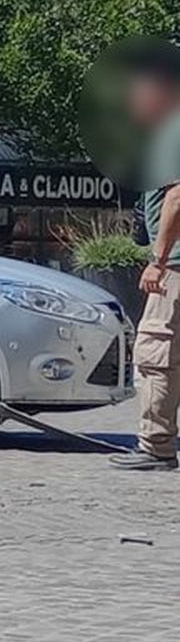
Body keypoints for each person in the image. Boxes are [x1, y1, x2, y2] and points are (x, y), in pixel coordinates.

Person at [111, 47, 180, 471]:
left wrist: (158, 259)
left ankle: (155, 447)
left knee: (157, 354)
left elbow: (176, 198)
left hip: (176, 269)